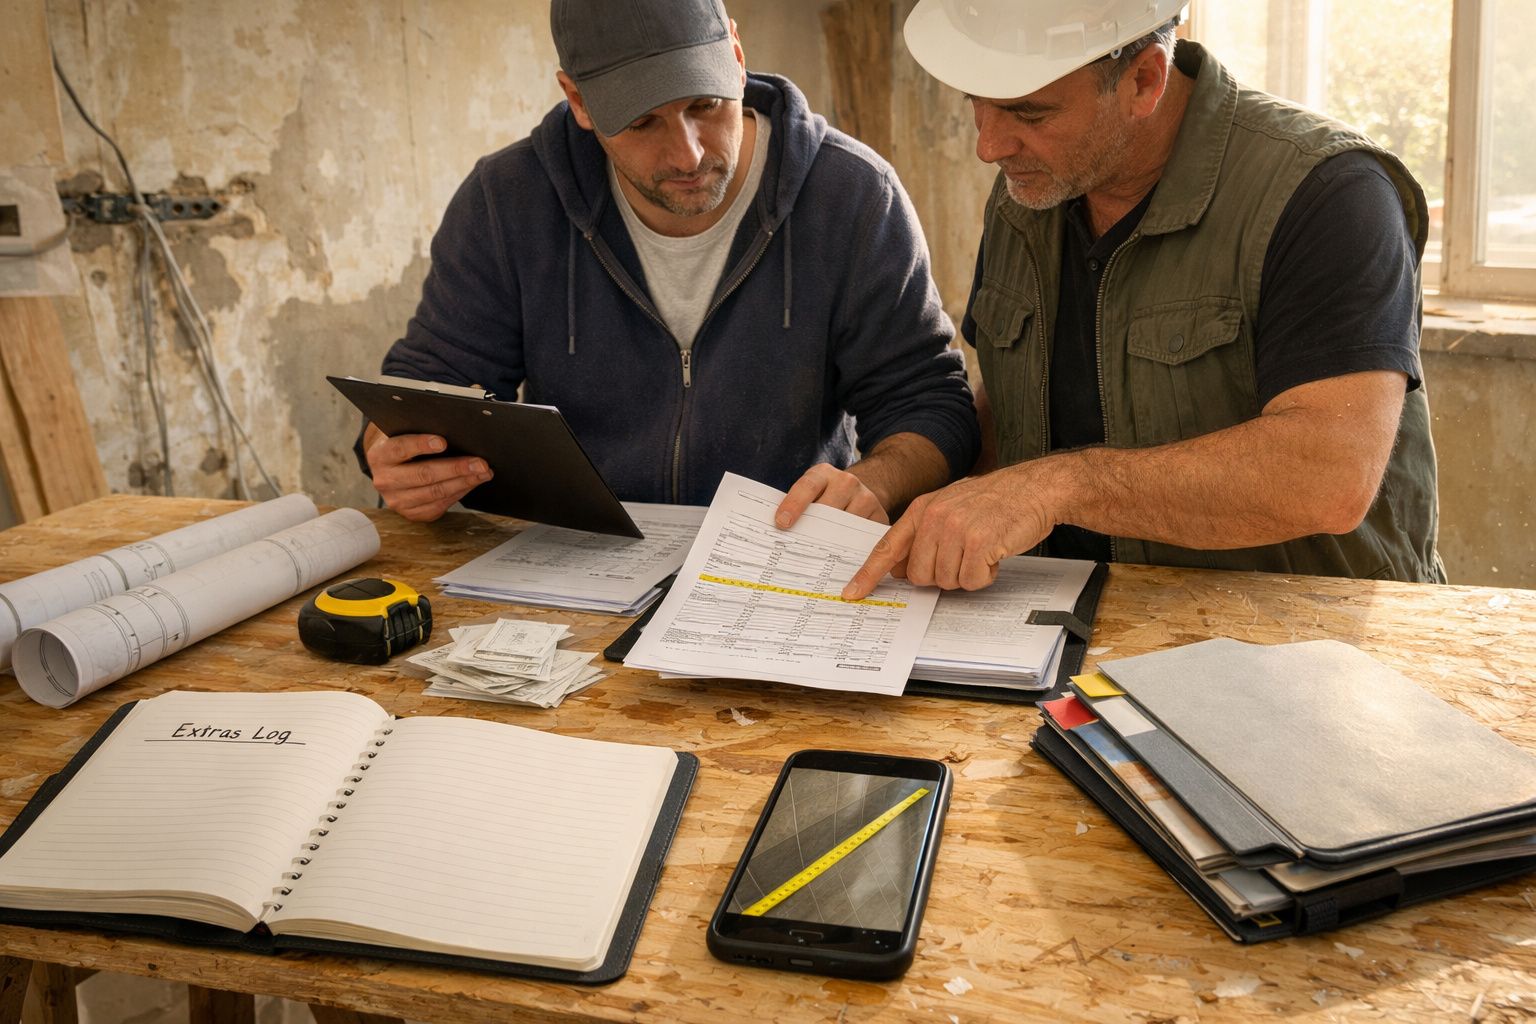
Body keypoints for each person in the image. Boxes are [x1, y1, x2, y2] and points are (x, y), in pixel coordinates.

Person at [844, 0, 1444, 600]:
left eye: (1029, 112)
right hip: (1073, 628)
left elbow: (1327, 475)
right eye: (977, 103)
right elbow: (1014, 407)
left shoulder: (1328, 194)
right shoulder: (1026, 198)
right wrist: (897, 491)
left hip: (1306, 643)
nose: (990, 146)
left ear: (1144, 79)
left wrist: (1053, 488)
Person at [359, 0, 978, 525]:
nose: (687, 154)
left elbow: (928, 402)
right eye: (642, 121)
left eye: (705, 105)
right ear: (577, 100)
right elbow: (429, 387)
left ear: (735, 56)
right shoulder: (508, 200)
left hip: (780, 559)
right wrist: (397, 453)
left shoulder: (853, 196)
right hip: (575, 563)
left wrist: (877, 480)